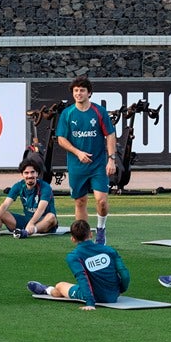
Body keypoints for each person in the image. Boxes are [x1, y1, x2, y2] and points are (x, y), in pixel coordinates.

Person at [54, 76, 116, 244]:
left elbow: (110, 134)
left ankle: (101, 229)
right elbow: (61, 139)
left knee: (101, 201)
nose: (79, 93)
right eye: (76, 90)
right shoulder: (67, 113)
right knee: (80, 201)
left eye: (82, 90)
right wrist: (77, 152)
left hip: (97, 165)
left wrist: (111, 159)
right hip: (77, 165)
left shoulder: (99, 112)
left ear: (89, 93)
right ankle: (84, 238)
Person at [27, 219, 129, 310]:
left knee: (60, 286)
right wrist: (121, 290)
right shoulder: (109, 250)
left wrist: (90, 303)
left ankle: (47, 290)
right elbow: (124, 273)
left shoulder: (73, 256)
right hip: (113, 295)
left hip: (94, 296)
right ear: (90, 234)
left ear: (73, 239)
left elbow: (83, 278)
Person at [0, 159, 58, 238]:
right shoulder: (18, 186)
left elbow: (41, 209)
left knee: (51, 217)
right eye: (26, 173)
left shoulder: (45, 187)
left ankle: (27, 232)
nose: (30, 175)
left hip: (43, 222)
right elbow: (5, 205)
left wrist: (31, 223)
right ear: (22, 175)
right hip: (27, 220)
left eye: (32, 172)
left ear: (37, 174)